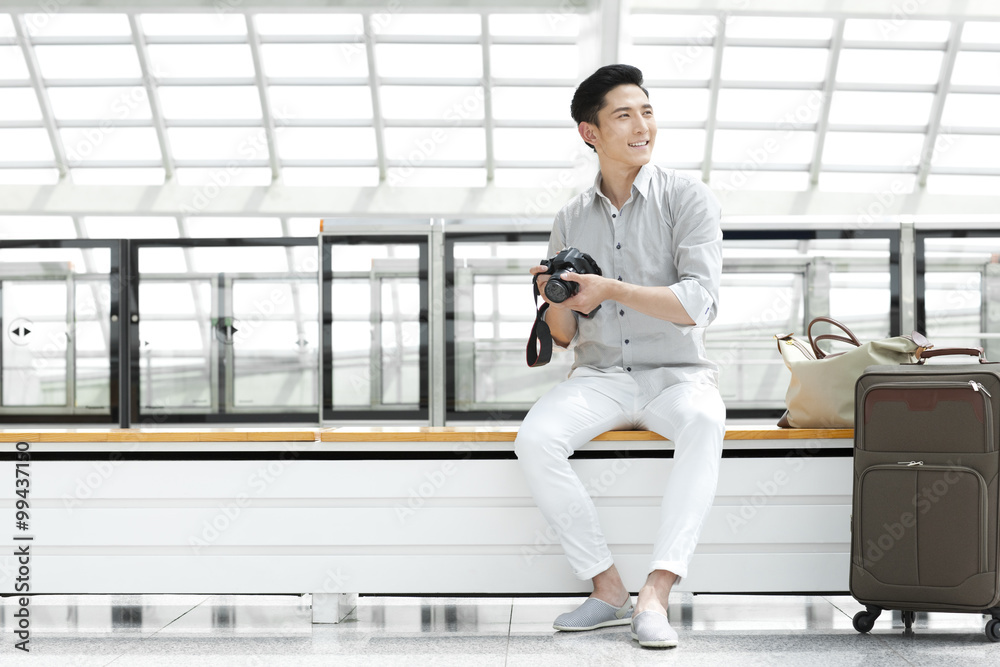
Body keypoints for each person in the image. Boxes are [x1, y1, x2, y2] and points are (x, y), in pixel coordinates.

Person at [514, 64, 725, 650]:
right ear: (590, 132)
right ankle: (607, 590)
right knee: (534, 439)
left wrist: (610, 288)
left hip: (678, 375)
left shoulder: (687, 198)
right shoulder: (570, 218)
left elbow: (699, 304)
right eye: (624, 115)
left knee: (706, 423)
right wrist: (552, 295)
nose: (642, 125)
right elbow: (561, 336)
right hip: (603, 374)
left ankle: (656, 595)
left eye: (647, 111)